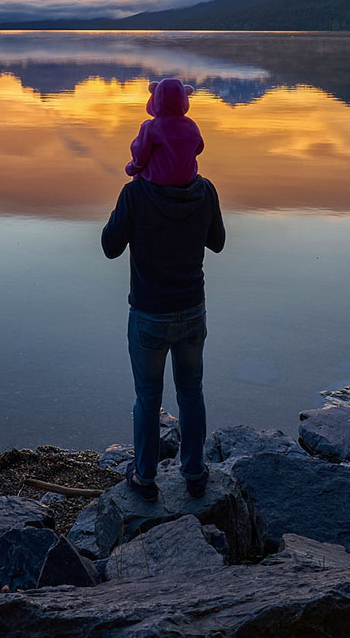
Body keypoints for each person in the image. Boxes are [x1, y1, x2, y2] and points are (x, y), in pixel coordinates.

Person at [101, 82, 225, 501]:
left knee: (147, 399)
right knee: (191, 393)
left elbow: (109, 247)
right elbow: (218, 242)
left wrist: (128, 214)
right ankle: (194, 474)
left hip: (150, 314)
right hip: (192, 310)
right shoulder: (205, 190)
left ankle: (145, 478)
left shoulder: (135, 194)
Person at [123, 78, 203, 185]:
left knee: (130, 190)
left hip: (157, 178)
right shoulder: (191, 125)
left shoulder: (150, 126)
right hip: (186, 178)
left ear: (155, 100)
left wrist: (132, 168)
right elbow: (199, 148)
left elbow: (140, 154)